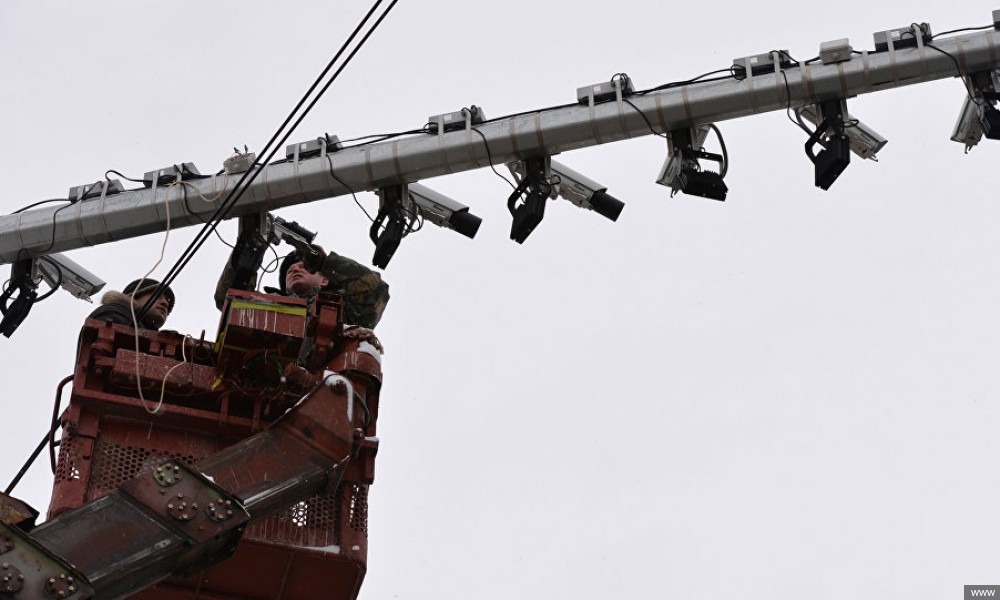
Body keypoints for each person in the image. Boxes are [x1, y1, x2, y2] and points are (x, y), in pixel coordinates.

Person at [215, 242, 389, 329]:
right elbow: (227, 300)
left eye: (303, 266)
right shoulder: (268, 306)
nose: (295, 269)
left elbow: (376, 291)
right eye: (289, 270)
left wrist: (325, 263)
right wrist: (248, 250)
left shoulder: (343, 310)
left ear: (325, 280)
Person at [87, 278, 175, 331]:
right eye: (157, 296)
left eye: (167, 301)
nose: (165, 303)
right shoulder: (113, 312)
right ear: (135, 297)